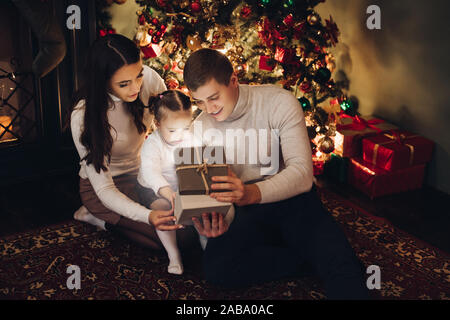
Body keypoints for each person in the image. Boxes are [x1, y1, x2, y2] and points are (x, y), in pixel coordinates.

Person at [183, 48, 370, 300]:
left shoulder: (278, 102)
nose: (209, 109)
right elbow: (207, 190)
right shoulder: (200, 127)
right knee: (218, 271)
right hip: (243, 210)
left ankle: (322, 256)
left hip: (292, 199)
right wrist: (212, 222)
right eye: (199, 102)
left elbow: (302, 173)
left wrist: (250, 193)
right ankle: (306, 258)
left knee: (344, 271)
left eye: (214, 97)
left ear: (233, 80)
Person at [69, 34, 189, 251]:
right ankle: (95, 217)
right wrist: (148, 216)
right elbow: (105, 188)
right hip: (103, 189)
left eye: (138, 76)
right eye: (124, 84)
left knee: (185, 232)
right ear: (103, 81)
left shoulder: (150, 80)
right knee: (163, 241)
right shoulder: (84, 115)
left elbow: (173, 119)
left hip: (141, 175)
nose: (136, 87)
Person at [138, 89, 235, 274]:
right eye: (173, 130)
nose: (179, 135)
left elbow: (197, 163)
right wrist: (167, 192)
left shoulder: (189, 138)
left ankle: (206, 243)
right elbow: (150, 172)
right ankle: (173, 254)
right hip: (154, 188)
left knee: (202, 209)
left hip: (183, 185)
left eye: (185, 128)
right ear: (158, 124)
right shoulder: (153, 143)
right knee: (163, 210)